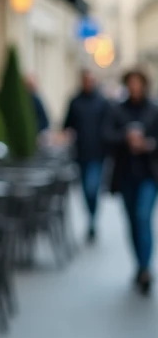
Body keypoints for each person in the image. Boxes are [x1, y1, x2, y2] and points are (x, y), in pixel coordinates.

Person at [104, 68, 158, 295]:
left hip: (149, 174)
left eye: (139, 83)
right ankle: (139, 264)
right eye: (131, 83)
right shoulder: (118, 110)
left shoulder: (154, 110)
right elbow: (105, 135)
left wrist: (149, 144)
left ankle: (145, 268)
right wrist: (125, 137)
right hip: (126, 175)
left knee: (143, 217)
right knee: (133, 223)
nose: (135, 87)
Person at [63, 69, 111, 241]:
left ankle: (92, 220)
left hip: (98, 153)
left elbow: (109, 126)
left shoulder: (102, 102)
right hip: (81, 153)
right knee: (85, 189)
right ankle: (90, 218)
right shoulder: (75, 101)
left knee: (93, 188)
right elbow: (67, 124)